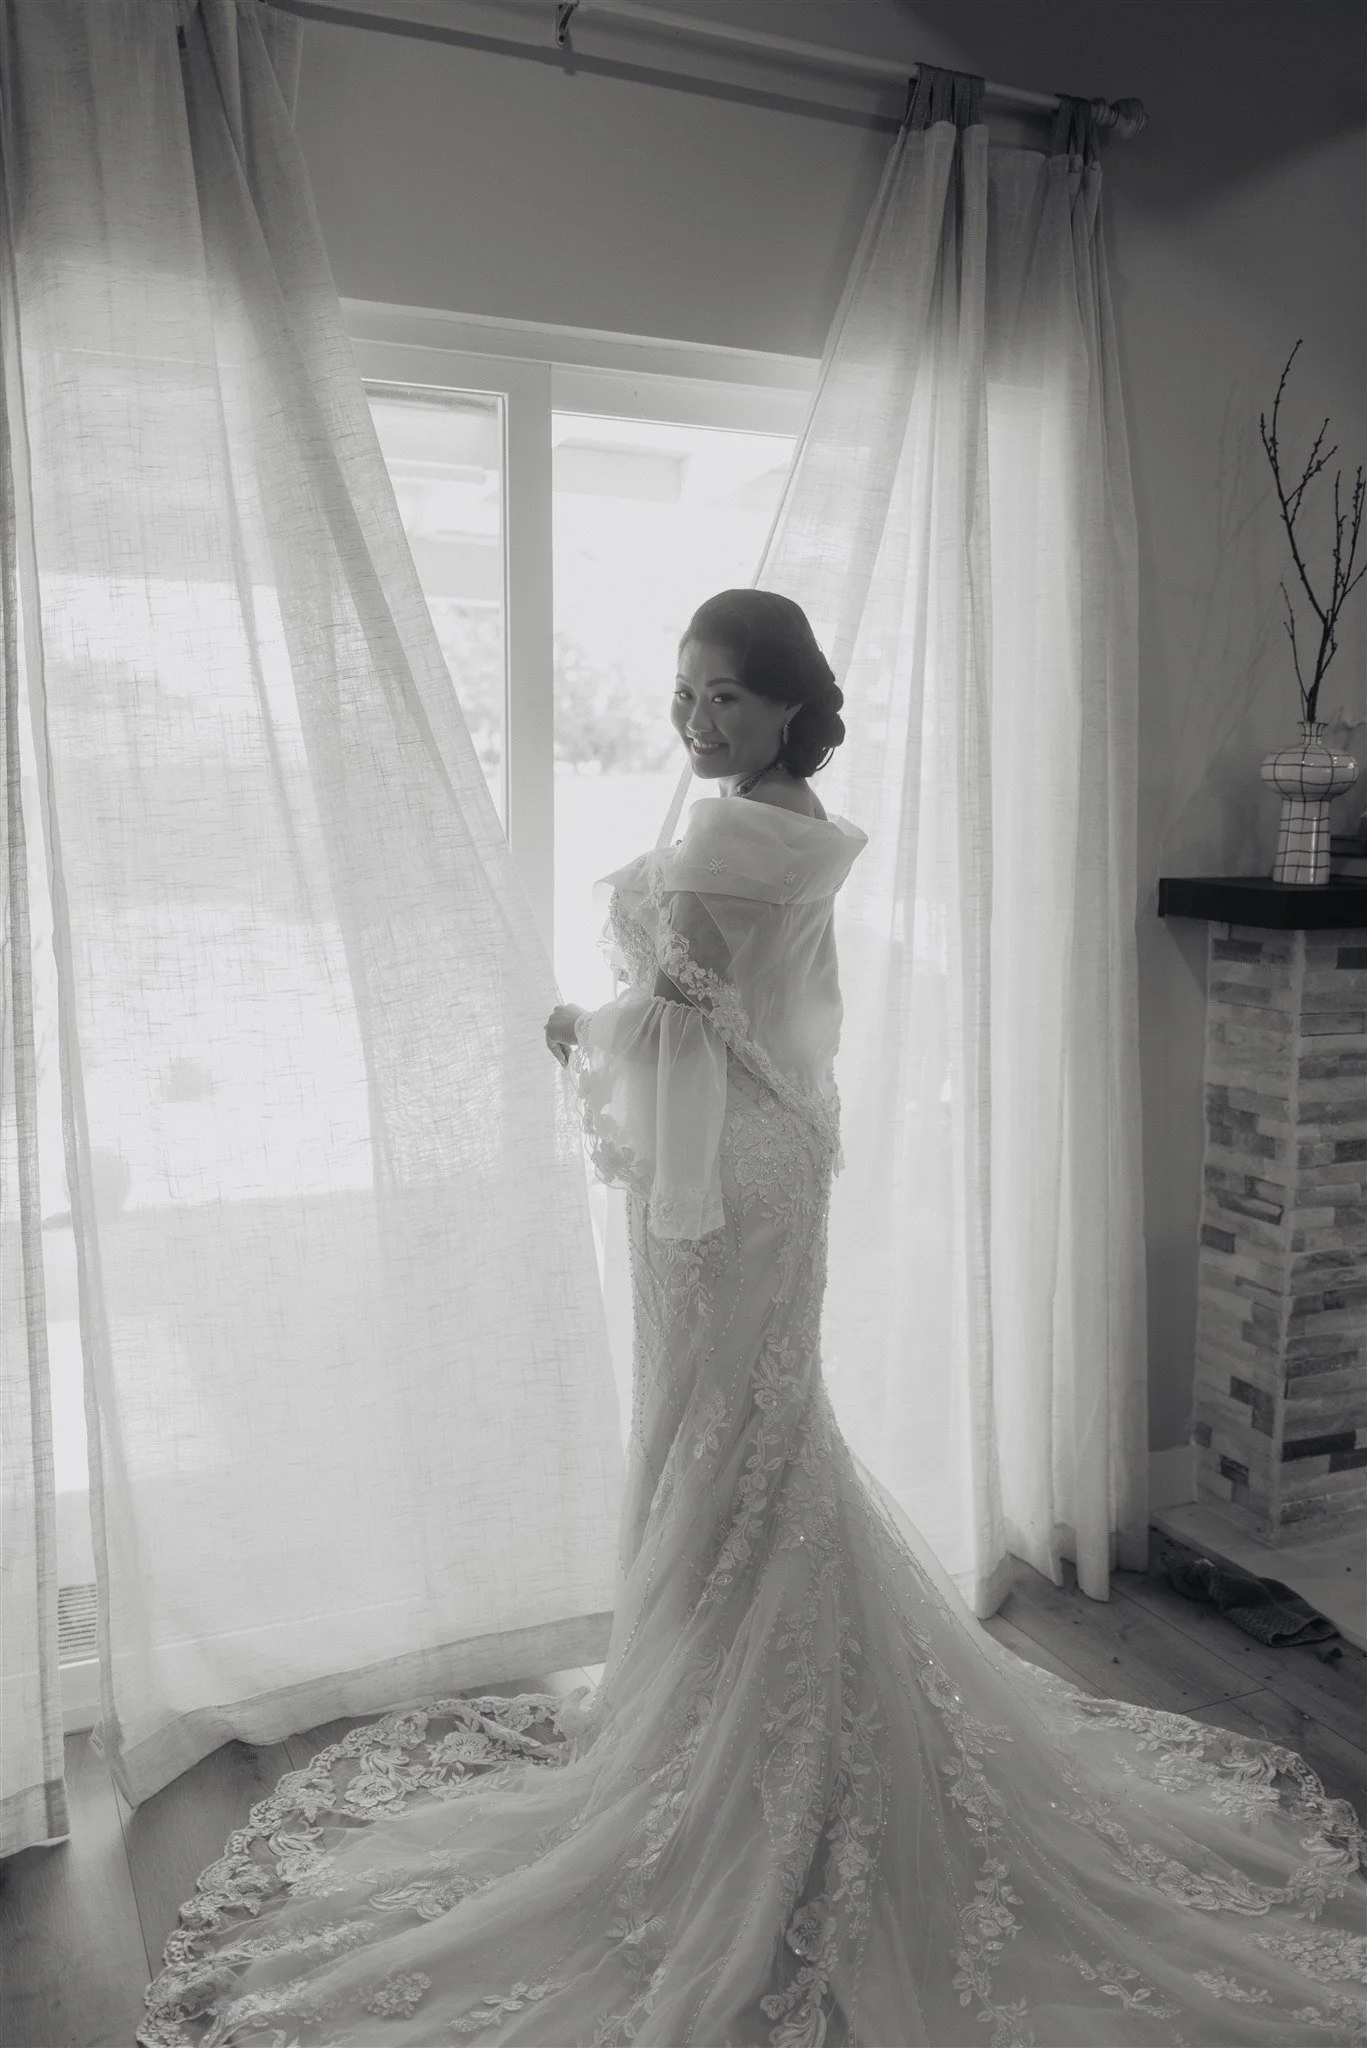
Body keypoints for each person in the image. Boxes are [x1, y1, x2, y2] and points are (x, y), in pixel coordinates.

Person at [141, 591, 1365, 2048]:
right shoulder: (804, 820)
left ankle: (735, 1739)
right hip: (775, 1156)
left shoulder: (728, 834)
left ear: (789, 704)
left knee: (718, 1439)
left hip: (718, 1179)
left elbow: (678, 1020)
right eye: (682, 693)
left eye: (721, 695)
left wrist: (581, 1035)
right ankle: (748, 1708)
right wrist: (639, 1019)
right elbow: (764, 1017)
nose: (692, 718)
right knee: (755, 1433)